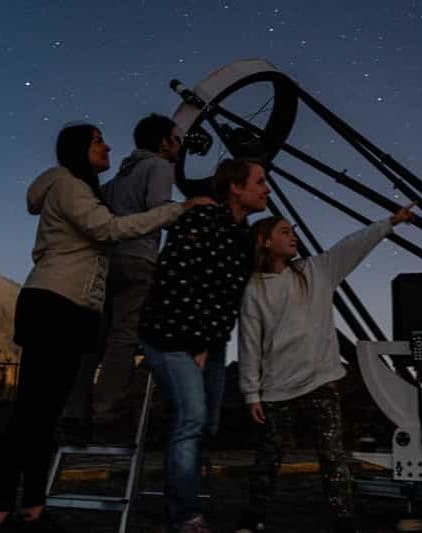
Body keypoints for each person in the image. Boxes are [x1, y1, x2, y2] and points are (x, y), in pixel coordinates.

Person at [0, 123, 214, 532]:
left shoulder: (89, 190)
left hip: (71, 307)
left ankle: (32, 507)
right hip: (54, 303)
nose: (107, 146)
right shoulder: (68, 186)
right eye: (97, 140)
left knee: (46, 414)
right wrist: (179, 209)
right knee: (31, 413)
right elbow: (109, 229)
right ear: (77, 148)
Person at [235, 204, 415, 533]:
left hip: (320, 382)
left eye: (293, 231)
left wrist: (390, 222)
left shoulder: (315, 271)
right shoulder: (254, 289)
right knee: (268, 459)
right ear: (264, 241)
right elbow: (249, 344)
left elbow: (351, 246)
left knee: (332, 456)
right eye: (284, 232)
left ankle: (344, 520)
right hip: (277, 388)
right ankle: (253, 518)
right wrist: (251, 393)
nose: (293, 236)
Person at [138, 158, 271, 533]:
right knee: (192, 418)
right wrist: (195, 341)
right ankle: (186, 515)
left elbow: (227, 301)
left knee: (206, 425)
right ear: (235, 187)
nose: (267, 189)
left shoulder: (242, 237)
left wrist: (207, 342)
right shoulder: (201, 219)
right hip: (171, 334)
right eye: (260, 181)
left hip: (209, 340)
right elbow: (175, 280)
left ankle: (180, 497)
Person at [92, 113, 182, 423]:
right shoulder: (159, 166)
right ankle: (104, 409)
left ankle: (76, 407)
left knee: (98, 338)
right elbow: (160, 210)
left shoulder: (118, 178)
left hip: (109, 261)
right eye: (176, 139)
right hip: (138, 260)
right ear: (163, 143)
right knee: (125, 336)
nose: (180, 146)